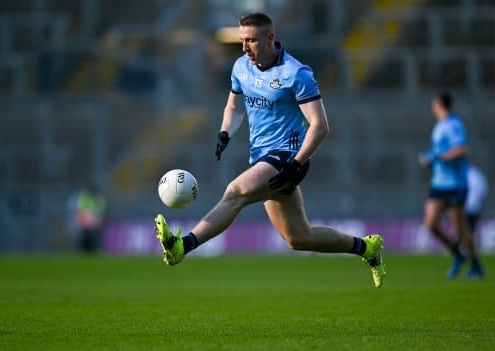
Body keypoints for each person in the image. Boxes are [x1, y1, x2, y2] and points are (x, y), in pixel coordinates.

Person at [154, 13, 386, 288]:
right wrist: (225, 131)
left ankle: (183, 246)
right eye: (242, 40)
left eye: (251, 40)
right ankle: (367, 248)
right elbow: (234, 105)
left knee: (235, 192)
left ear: (270, 38)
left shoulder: (296, 73)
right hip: (263, 159)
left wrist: (297, 163)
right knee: (299, 239)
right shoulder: (241, 67)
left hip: (289, 157)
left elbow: (320, 126)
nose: (245, 47)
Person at [419, 92, 484, 279]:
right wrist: (431, 160)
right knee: (430, 223)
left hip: (456, 184)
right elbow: (442, 151)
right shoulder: (439, 126)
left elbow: (461, 149)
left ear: (438, 104)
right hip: (439, 182)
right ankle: (457, 254)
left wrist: (438, 157)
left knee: (460, 229)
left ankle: (476, 264)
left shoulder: (453, 124)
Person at [75, 184, 106, 253]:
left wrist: (100, 221)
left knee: (94, 238)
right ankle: (84, 251)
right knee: (85, 237)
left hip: (95, 221)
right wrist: (81, 221)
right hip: (86, 220)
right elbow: (81, 211)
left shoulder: (99, 198)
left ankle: (93, 251)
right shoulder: (84, 198)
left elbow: (101, 212)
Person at [466, 163, 488, 236]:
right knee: (470, 230)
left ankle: (463, 243)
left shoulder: (463, 173)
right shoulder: (477, 174)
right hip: (474, 206)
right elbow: (483, 189)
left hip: (465, 206)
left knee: (464, 230)